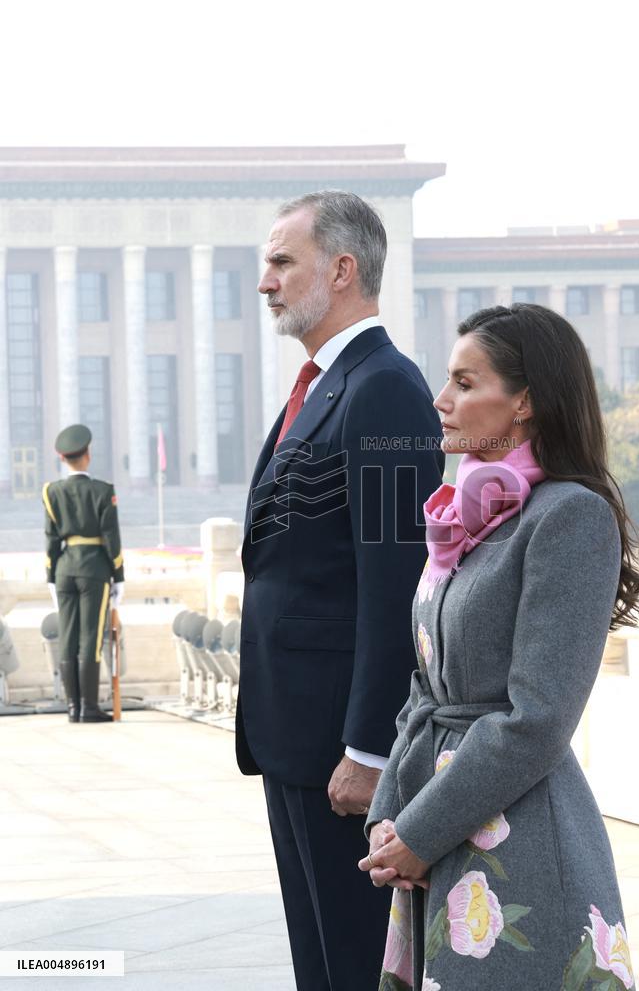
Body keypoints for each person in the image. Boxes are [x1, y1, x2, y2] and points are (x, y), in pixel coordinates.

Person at [360, 303, 639, 991]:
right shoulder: (465, 515)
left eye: (465, 381)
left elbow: (539, 716)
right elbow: (425, 690)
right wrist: (388, 817)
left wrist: (420, 833)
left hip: (518, 835)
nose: (441, 399)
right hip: (438, 821)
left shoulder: (570, 515)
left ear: (524, 402)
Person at [237, 190, 444, 991]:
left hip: (339, 749)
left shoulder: (384, 387)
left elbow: (396, 579)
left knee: (354, 963)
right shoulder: (323, 384)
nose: (267, 281)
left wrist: (369, 748)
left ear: (344, 269)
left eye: (283, 261)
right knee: (318, 963)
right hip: (293, 732)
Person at [43, 424, 125, 724]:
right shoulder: (102, 491)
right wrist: (119, 575)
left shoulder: (52, 492)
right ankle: (89, 706)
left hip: (64, 569)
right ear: (87, 455)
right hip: (94, 569)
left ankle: (72, 707)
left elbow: (50, 538)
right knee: (90, 635)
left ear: (63, 459)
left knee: (68, 635)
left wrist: (51, 576)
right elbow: (111, 538)